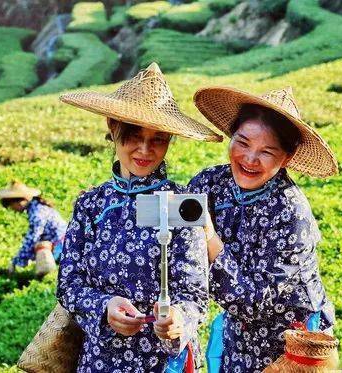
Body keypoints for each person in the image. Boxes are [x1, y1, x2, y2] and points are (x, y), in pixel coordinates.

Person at [56, 62, 221, 372]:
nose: (145, 150)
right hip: (103, 361)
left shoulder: (181, 204)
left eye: (158, 139)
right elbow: (69, 284)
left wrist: (178, 321)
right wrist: (104, 307)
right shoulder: (91, 204)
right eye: (133, 135)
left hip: (165, 362)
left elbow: (195, 294)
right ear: (112, 126)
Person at [190, 86, 337, 372]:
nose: (249, 159)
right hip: (240, 336)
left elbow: (253, 303)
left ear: (287, 158)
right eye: (242, 143)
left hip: (293, 344)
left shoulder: (291, 214)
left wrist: (208, 234)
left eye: (266, 151)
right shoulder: (209, 184)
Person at [0, 180, 67, 277]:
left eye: (11, 206)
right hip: (61, 243)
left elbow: (32, 239)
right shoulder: (35, 207)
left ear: (19, 202)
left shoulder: (37, 212)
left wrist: (15, 262)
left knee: (42, 253)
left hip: (63, 247)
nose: (12, 209)